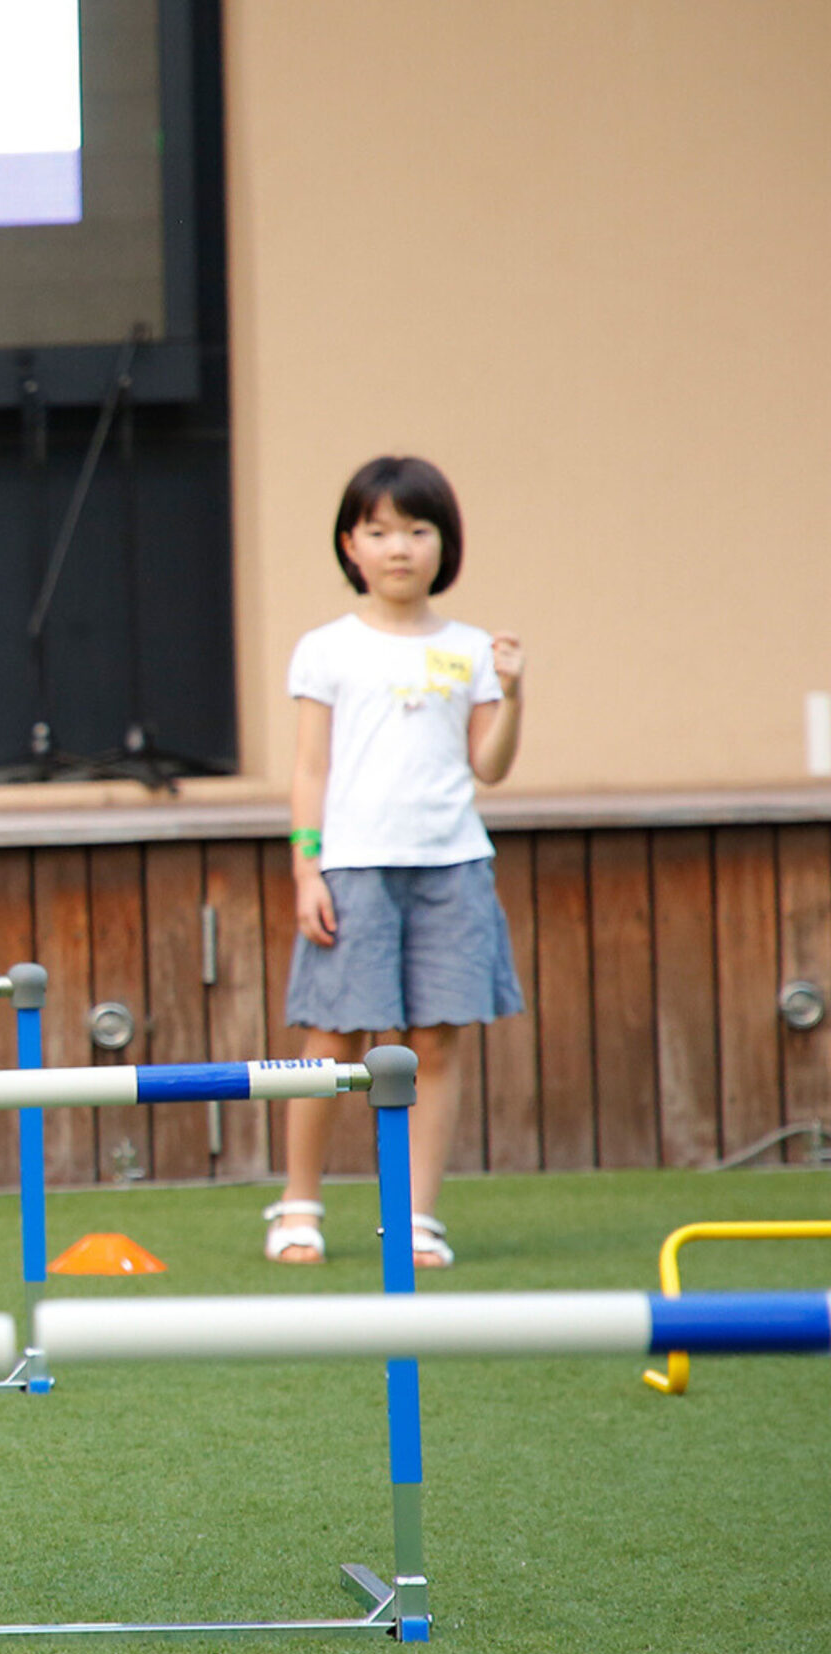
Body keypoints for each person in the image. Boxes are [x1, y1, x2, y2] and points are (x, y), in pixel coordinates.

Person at [269, 455, 526, 1269]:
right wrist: (307, 868)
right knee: (332, 1041)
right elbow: (310, 767)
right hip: (352, 866)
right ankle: (298, 1205)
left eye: (417, 530)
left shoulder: (472, 649)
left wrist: (515, 694)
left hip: (453, 864)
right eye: (379, 531)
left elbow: (490, 765)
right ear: (350, 545)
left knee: (436, 1042)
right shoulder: (327, 648)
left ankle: (414, 1218)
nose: (399, 548)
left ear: (444, 544)